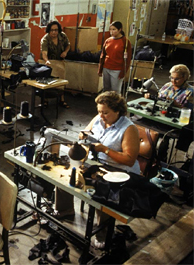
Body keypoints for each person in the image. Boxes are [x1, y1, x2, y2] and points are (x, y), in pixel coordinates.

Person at [79, 91, 140, 248]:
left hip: (121, 173)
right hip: (101, 165)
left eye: (105, 112)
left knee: (100, 193)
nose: (101, 116)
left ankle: (103, 235)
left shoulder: (129, 128)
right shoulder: (99, 118)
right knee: (69, 175)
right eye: (99, 111)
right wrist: (83, 136)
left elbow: (129, 159)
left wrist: (105, 150)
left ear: (117, 111)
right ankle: (63, 210)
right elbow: (85, 131)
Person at [40, 20, 71, 108]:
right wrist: (46, 60)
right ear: (49, 30)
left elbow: (68, 45)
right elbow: (44, 53)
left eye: (56, 30)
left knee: (61, 80)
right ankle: (45, 100)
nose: (54, 32)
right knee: (47, 81)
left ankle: (61, 99)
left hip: (59, 61)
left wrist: (65, 52)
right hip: (48, 62)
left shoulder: (62, 36)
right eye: (52, 30)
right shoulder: (45, 39)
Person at [98, 21, 132, 95]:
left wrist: (123, 72)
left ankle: (116, 106)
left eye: (114, 29)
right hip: (106, 68)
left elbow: (128, 59)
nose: (111, 32)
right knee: (106, 89)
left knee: (115, 91)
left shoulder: (125, 42)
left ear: (120, 30)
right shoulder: (108, 40)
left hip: (117, 70)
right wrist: (100, 69)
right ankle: (106, 105)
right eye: (110, 29)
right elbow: (102, 55)